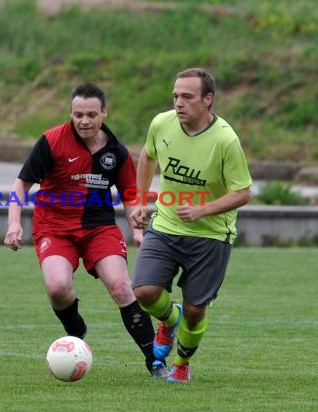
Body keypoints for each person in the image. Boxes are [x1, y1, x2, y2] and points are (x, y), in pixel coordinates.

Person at [4, 82, 168, 377]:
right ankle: (76, 330)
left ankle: (154, 361)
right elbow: (22, 183)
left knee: (120, 286)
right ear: (71, 113)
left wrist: (137, 226)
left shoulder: (116, 151)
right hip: (54, 228)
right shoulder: (52, 141)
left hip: (98, 228)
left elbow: (130, 193)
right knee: (57, 288)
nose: (84, 121)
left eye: (91, 114)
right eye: (78, 114)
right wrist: (14, 223)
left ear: (103, 113)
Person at [130, 68, 252, 382]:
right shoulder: (162, 124)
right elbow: (147, 157)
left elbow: (243, 192)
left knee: (196, 309)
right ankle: (170, 319)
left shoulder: (225, 139)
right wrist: (140, 200)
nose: (178, 103)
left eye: (187, 96)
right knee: (144, 291)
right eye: (175, 96)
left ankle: (182, 365)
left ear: (208, 100)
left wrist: (204, 210)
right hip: (167, 226)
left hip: (212, 234)